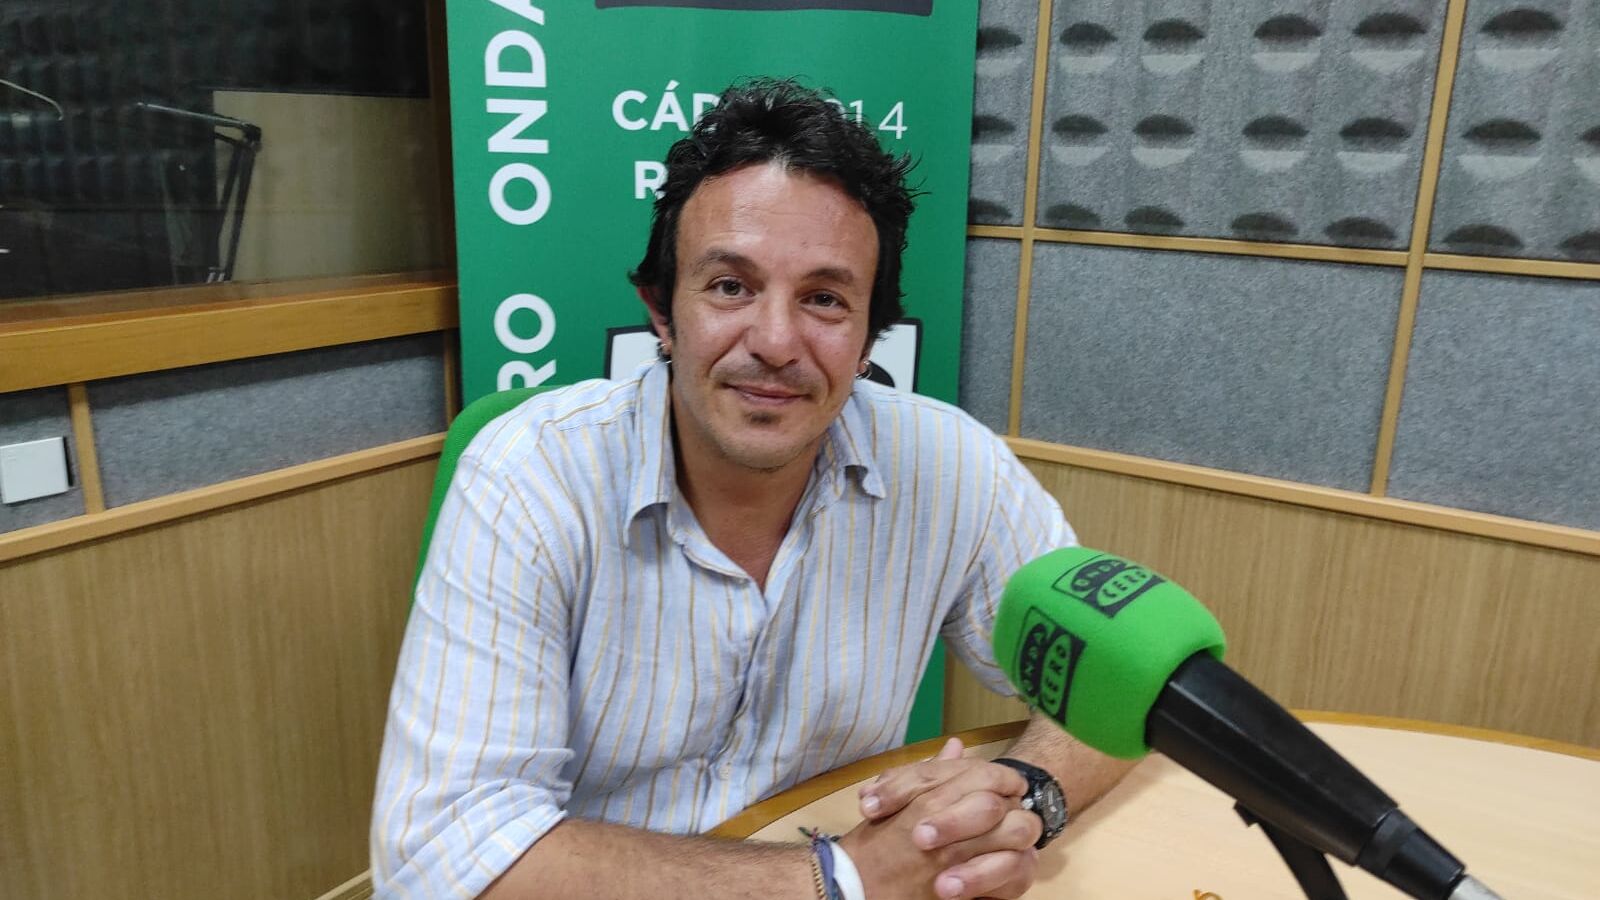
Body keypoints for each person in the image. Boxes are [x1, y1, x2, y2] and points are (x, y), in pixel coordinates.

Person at [370, 79, 1132, 900]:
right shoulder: (528, 476)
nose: (774, 342)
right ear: (662, 311)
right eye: (730, 286)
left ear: (869, 337)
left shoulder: (953, 467)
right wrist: (842, 877)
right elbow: (442, 853)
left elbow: (1118, 677)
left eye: (825, 299)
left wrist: (1027, 798)